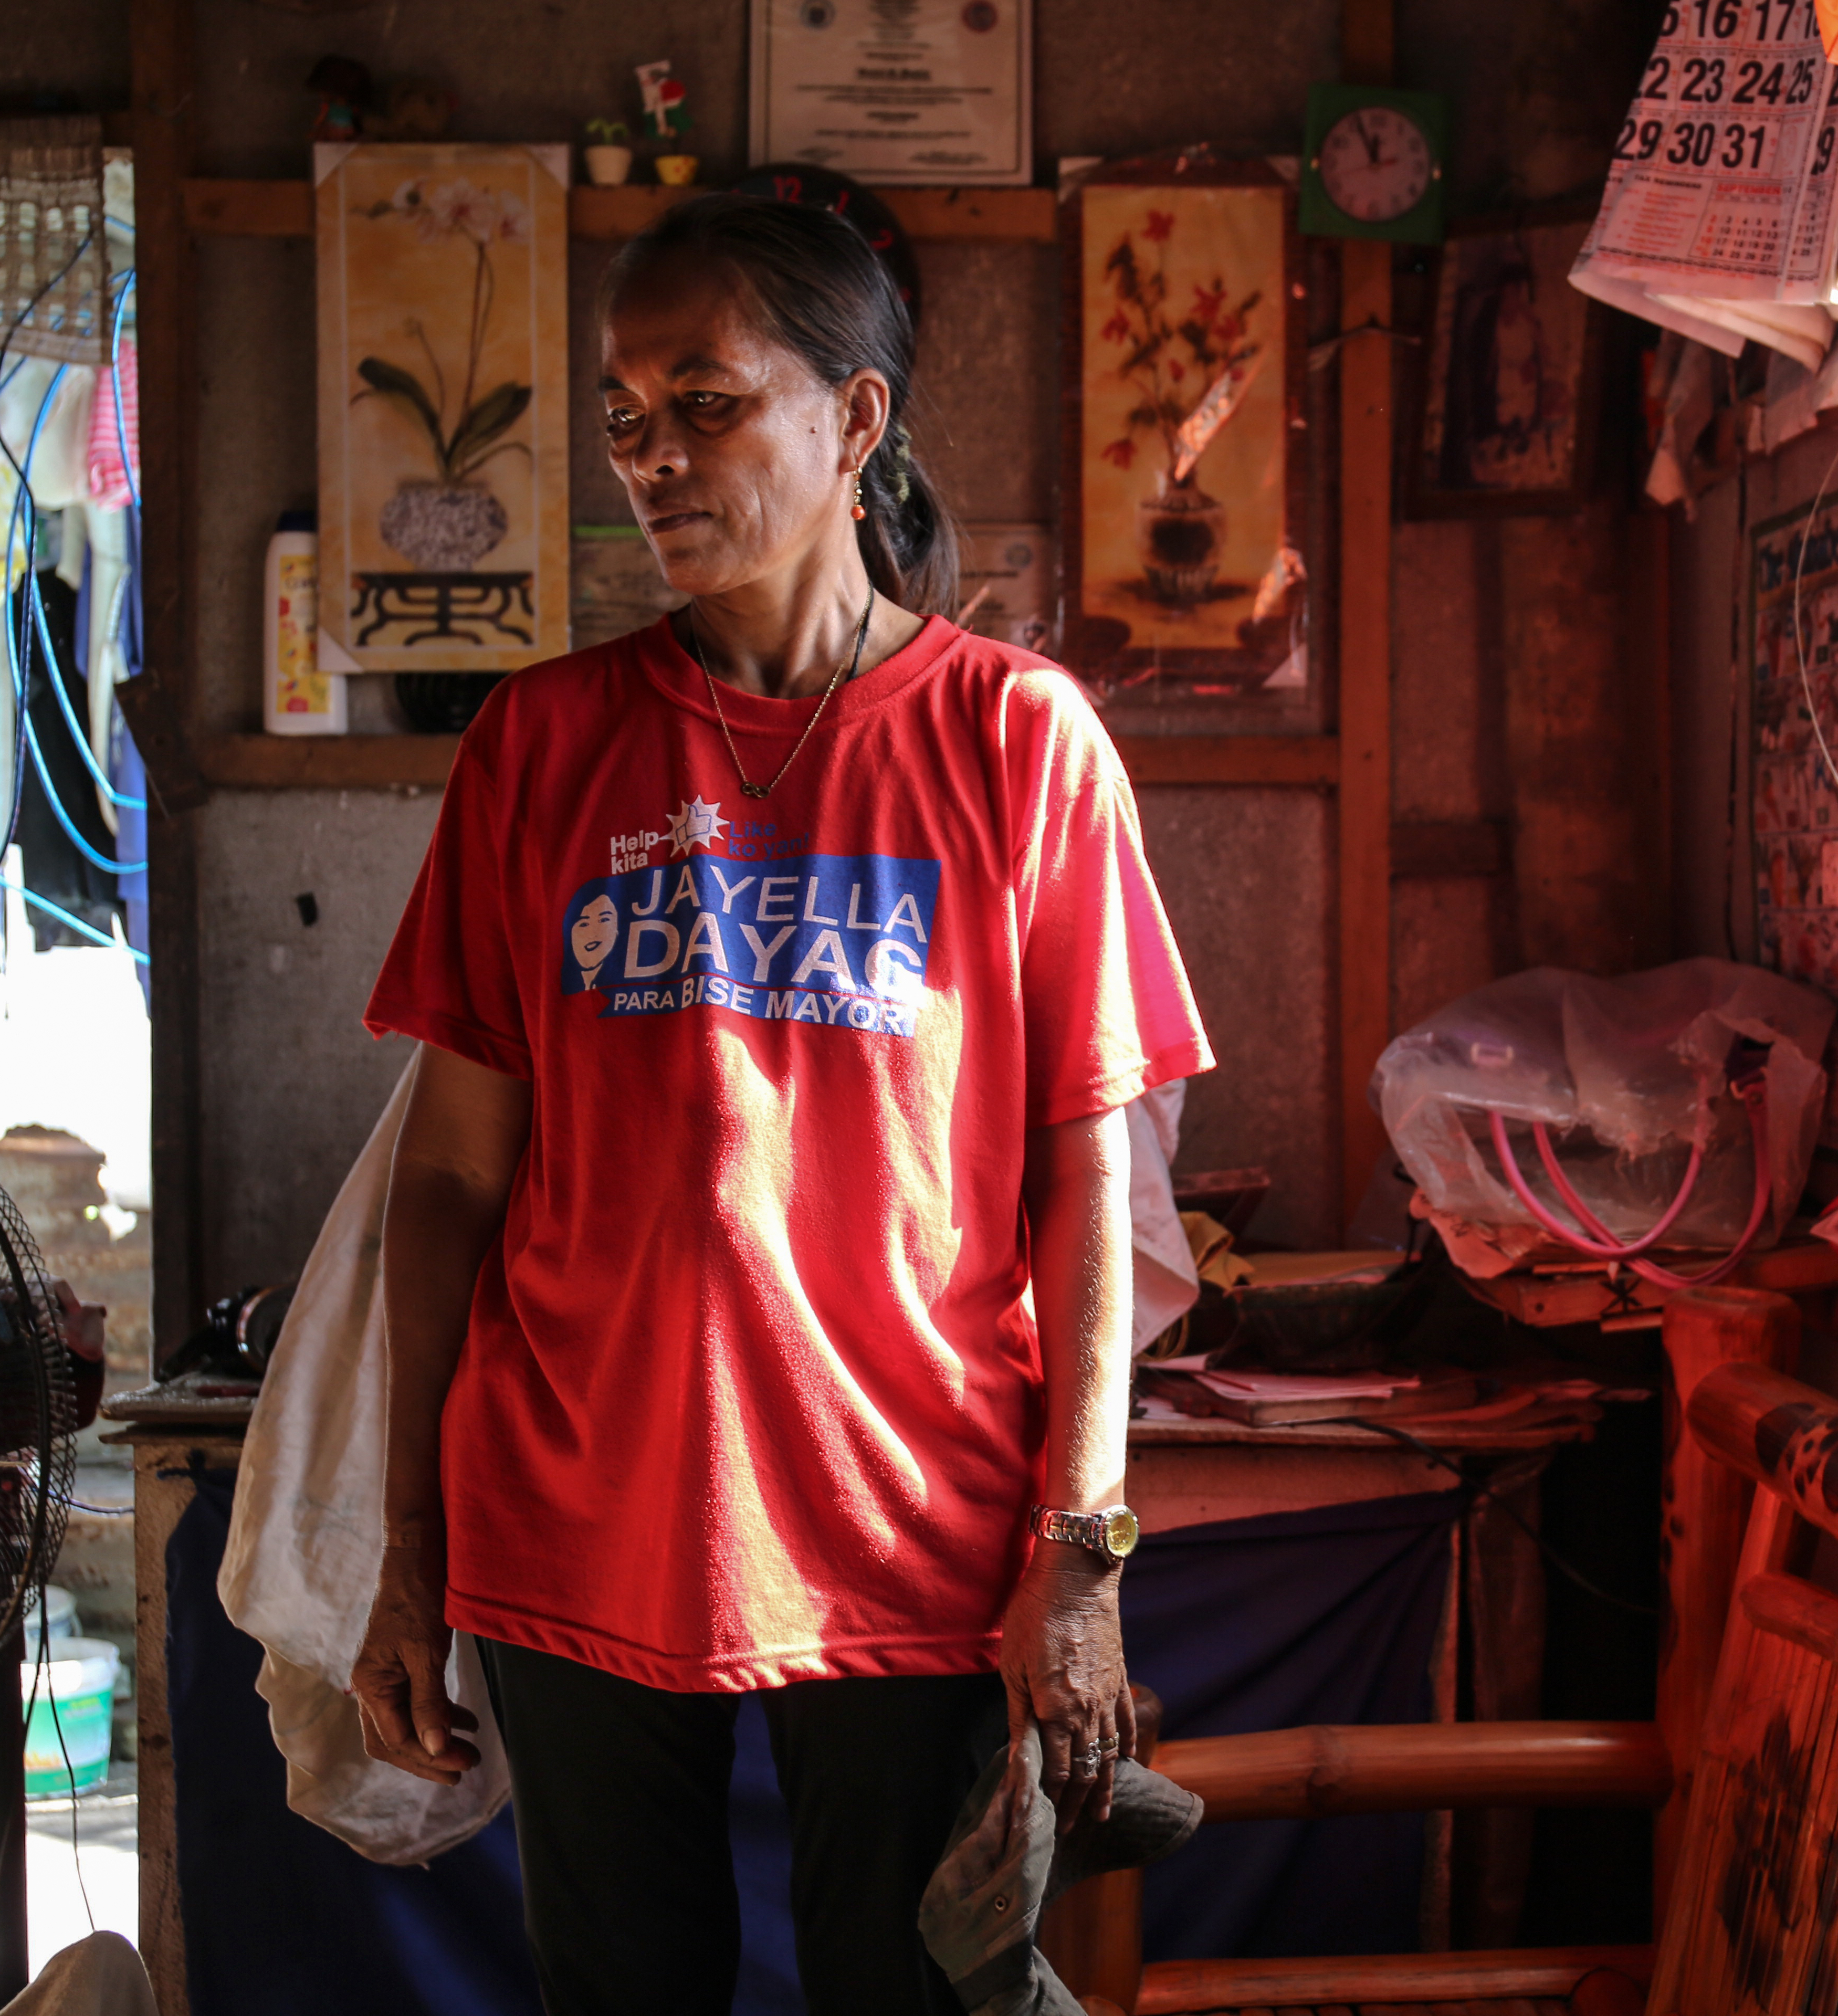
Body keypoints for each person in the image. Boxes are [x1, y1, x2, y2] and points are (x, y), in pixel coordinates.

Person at [351, 192, 1212, 2016]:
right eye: (623, 417)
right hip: (574, 1509)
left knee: (910, 1992)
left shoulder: (1015, 740)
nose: (652, 458)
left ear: (858, 420)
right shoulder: (543, 744)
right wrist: (405, 1530)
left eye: (708, 403)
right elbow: (448, 1181)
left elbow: (1089, 1190)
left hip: (911, 1516)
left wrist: (1082, 1551)